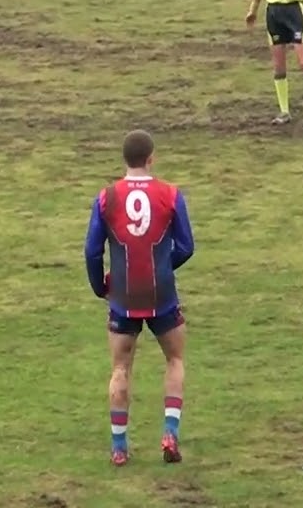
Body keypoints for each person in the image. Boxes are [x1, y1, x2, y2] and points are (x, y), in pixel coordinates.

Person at [83, 129, 195, 467]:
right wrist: (163, 266)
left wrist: (101, 286)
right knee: (174, 360)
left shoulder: (106, 197)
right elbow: (187, 247)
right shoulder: (171, 194)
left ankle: (119, 447)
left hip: (123, 295)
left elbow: (91, 251)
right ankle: (169, 433)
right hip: (162, 292)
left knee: (120, 368)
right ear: (151, 158)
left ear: (125, 159)